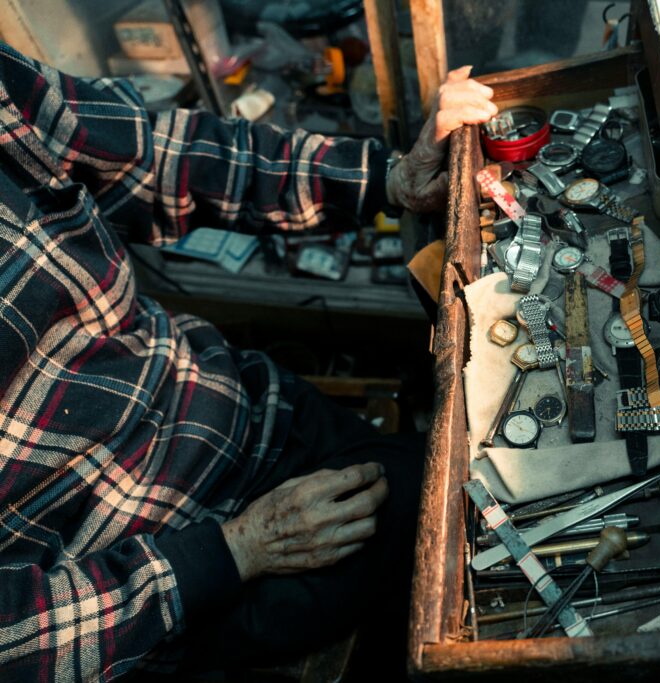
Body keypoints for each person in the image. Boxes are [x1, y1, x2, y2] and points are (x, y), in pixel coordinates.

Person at [0, 40, 496, 682]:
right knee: (456, 569)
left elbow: (156, 156)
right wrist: (234, 551)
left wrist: (384, 177)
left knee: (468, 491)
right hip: (168, 585)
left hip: (250, 413)